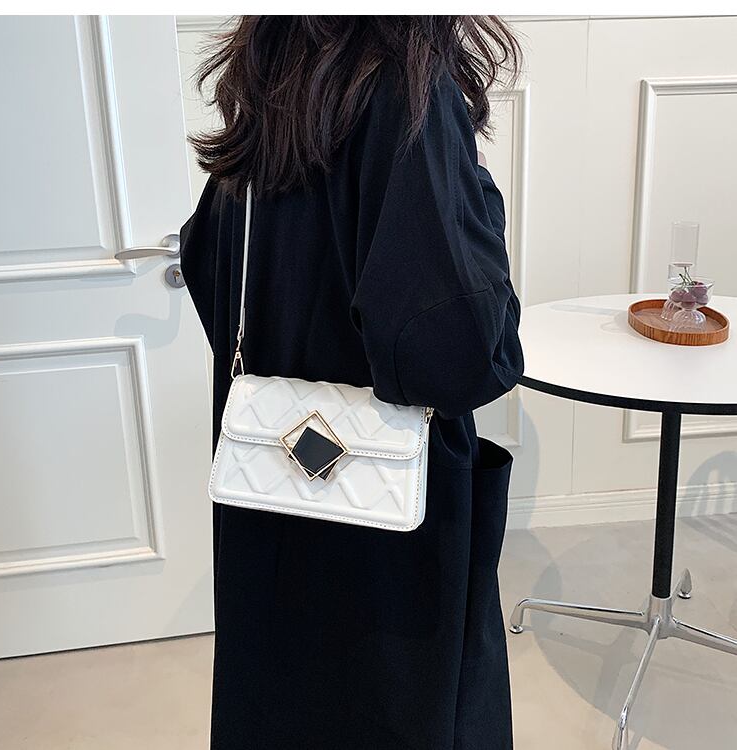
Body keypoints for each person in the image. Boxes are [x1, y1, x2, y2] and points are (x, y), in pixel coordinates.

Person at [180, 15, 524, 750]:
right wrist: (481, 211)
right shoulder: (407, 87)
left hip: (269, 491)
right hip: (386, 532)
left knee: (280, 704)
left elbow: (209, 265)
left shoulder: (270, 82)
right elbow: (455, 349)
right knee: (396, 708)